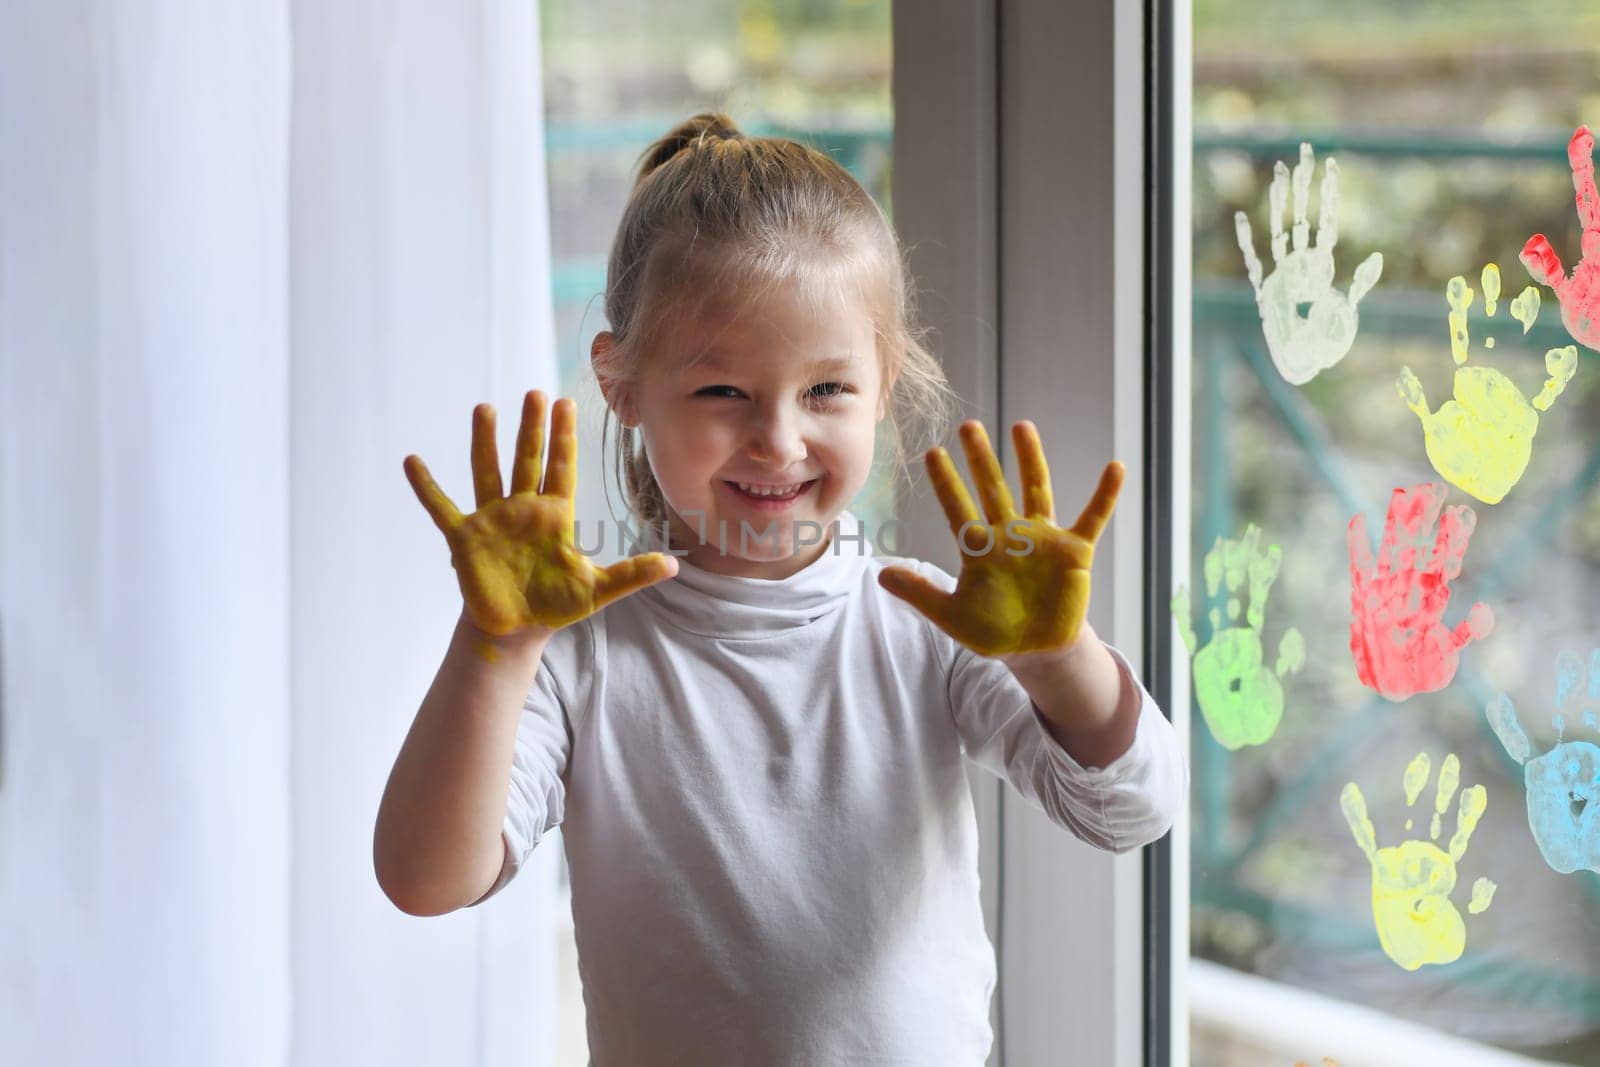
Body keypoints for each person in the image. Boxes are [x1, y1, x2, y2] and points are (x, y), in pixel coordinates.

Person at [374, 112, 1187, 1065]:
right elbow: (426, 880)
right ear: (622, 381)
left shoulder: (924, 619)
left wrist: (1061, 660)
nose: (780, 441)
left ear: (885, 382)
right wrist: (491, 650)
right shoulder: (580, 651)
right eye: (723, 393)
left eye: (827, 390)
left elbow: (1131, 811)